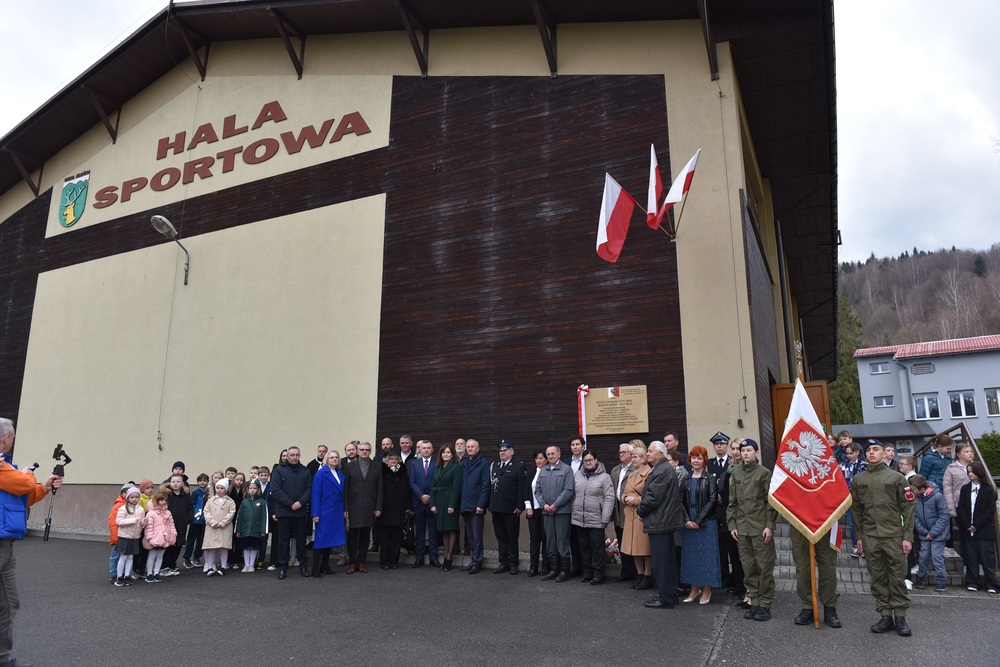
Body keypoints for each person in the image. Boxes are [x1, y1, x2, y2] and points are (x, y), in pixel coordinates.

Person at [852, 440, 915, 637]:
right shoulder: (858, 480)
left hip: (893, 535)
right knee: (877, 577)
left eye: (876, 449)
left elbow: (908, 507)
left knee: (897, 576)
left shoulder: (897, 478)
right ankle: (885, 615)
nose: (871, 453)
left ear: (883, 453)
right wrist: (859, 537)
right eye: (868, 450)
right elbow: (856, 511)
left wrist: (907, 536)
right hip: (870, 536)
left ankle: (901, 617)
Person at [727, 438, 776, 621]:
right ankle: (754, 601)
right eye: (743, 450)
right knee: (748, 567)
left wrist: (769, 526)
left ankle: (765, 604)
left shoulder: (764, 473)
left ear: (755, 452)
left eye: (749, 450)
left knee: (764, 567)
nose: (745, 453)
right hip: (742, 528)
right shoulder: (736, 473)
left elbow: (770, 503)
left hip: (759, 528)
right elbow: (732, 503)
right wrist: (732, 525)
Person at [636, 440, 686, 608]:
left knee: (662, 562)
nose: (647, 453)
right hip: (662, 521)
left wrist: (640, 511)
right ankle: (670, 595)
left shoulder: (662, 470)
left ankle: (665, 598)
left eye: (650, 451)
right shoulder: (663, 469)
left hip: (660, 522)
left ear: (660, 454)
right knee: (667, 560)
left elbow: (652, 498)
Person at [680, 446, 720, 604]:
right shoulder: (686, 479)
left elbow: (712, 500)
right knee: (690, 558)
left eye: (699, 458)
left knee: (706, 558)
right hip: (688, 523)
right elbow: (680, 501)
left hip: (706, 523)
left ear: (704, 460)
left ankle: (707, 590)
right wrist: (687, 520)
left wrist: (698, 521)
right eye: (693, 458)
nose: (696, 461)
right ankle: (694, 589)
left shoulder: (709, 478)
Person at [570, 449, 614, 585]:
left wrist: (605, 518)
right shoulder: (578, 475)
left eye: (590, 459)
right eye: (585, 460)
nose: (588, 462)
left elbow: (609, 498)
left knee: (597, 548)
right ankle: (587, 572)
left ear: (596, 460)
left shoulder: (605, 477)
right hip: (579, 518)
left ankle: (599, 574)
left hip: (597, 519)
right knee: (584, 547)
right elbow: (573, 495)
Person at [956, 461, 1000, 593]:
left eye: (972, 472)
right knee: (971, 557)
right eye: (968, 472)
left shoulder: (988, 489)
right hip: (967, 529)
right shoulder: (965, 489)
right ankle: (972, 581)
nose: (970, 474)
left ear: (979, 472)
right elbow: (961, 507)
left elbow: (989, 510)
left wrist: (976, 525)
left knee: (987, 558)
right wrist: (966, 524)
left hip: (984, 530)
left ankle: (991, 583)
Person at [271, 446, 313, 579]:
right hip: (284, 511)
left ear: (300, 456)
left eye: (297, 455)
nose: (295, 457)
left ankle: (303, 566)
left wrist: (300, 502)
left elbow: (309, 489)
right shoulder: (279, 470)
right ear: (287, 456)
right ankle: (282, 567)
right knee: (283, 541)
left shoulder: (305, 471)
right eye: (292, 455)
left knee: (301, 540)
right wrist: (290, 503)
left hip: (300, 511)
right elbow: (275, 490)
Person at [536, 445, 575, 582]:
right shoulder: (543, 471)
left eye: (553, 454)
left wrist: (555, 505)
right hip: (547, 512)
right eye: (548, 454)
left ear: (559, 454)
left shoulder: (566, 470)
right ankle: (554, 569)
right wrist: (544, 505)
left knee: (562, 542)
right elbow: (538, 491)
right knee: (550, 542)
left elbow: (568, 490)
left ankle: (565, 571)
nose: (551, 456)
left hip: (561, 512)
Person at [489, 440, 528, 575]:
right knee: (501, 537)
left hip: (511, 508)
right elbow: (492, 486)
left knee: (512, 537)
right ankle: (503, 562)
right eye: (500, 451)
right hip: (496, 508)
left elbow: (521, 488)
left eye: (505, 450)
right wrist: (491, 505)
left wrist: (520, 506)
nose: (502, 453)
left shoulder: (518, 466)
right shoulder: (494, 465)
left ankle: (513, 562)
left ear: (512, 451)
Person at [343, 441, 382, 574]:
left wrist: (378, 507)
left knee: (366, 535)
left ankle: (361, 562)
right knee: (353, 535)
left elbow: (380, 488)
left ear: (370, 451)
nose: (364, 451)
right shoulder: (349, 466)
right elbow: (345, 488)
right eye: (362, 449)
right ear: (358, 451)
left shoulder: (377, 466)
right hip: (353, 506)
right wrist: (345, 508)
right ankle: (352, 562)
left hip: (370, 506)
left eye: (367, 449)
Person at [909, 474, 949, 592]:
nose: (912, 491)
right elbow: (915, 517)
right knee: (923, 557)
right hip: (924, 534)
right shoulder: (916, 498)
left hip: (938, 535)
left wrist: (933, 533)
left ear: (922, 489)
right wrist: (924, 532)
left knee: (937, 557)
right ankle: (921, 579)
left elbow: (944, 516)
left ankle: (941, 582)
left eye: (914, 489)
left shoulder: (938, 497)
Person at [621, 444, 653, 590]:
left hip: (642, 515)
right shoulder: (631, 474)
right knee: (633, 548)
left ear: (643, 458)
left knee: (644, 548)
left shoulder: (649, 473)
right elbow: (623, 492)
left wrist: (636, 500)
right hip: (630, 515)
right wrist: (625, 498)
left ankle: (648, 575)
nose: (632, 459)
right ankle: (639, 574)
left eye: (635, 457)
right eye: (632, 456)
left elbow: (651, 496)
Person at [431, 442, 463, 571]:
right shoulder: (437, 468)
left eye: (448, 452)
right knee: (443, 529)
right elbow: (432, 487)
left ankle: (449, 558)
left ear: (452, 454)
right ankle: (445, 554)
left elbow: (456, 488)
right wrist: (432, 504)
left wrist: (452, 505)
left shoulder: (456, 467)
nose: (446, 454)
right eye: (444, 452)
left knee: (451, 529)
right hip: (439, 501)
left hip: (450, 501)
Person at [460, 438, 490, 574]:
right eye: (468, 447)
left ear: (477, 449)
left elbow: (485, 486)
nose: (470, 449)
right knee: (470, 536)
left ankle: (477, 561)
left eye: (472, 447)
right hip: (466, 505)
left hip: (476, 506)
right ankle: (473, 559)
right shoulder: (464, 463)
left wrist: (481, 504)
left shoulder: (483, 464)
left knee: (477, 536)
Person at [378, 450, 411, 569]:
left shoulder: (403, 471)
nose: (393, 461)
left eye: (396, 459)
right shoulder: (382, 470)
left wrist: (407, 507)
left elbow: (407, 490)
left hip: (399, 508)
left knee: (397, 537)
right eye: (391, 459)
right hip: (385, 509)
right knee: (385, 537)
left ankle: (394, 561)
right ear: (387, 461)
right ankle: (384, 561)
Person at [409, 439, 439, 568]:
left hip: (433, 502)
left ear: (432, 450)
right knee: (419, 532)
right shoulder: (414, 464)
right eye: (424, 448)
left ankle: (433, 558)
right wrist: (421, 495)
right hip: (418, 502)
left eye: (428, 448)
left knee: (433, 532)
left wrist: (430, 497)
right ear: (419, 449)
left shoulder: (437, 463)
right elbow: (412, 482)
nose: (426, 450)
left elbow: (438, 482)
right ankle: (419, 558)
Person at [610, 442, 636, 584]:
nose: (621, 454)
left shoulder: (635, 469)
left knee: (632, 542)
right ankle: (625, 571)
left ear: (631, 455)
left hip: (630, 510)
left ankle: (635, 572)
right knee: (621, 542)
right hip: (618, 511)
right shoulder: (615, 470)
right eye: (620, 452)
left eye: (624, 452)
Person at [159, 474, 192, 576]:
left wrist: (188, 519)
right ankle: (164, 566)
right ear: (170, 483)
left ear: (182, 484)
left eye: (178, 482)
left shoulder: (186, 496)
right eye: (173, 482)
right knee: (169, 545)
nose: (175, 484)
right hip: (168, 525)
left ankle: (172, 565)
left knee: (178, 545)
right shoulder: (166, 495)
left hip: (181, 525)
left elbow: (190, 509)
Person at [202, 479, 237, 576]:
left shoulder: (230, 502)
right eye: (217, 488)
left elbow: (231, 513)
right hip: (212, 527)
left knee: (224, 547)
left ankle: (223, 567)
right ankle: (209, 567)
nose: (219, 490)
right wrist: (213, 522)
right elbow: (206, 512)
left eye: (222, 488)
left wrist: (223, 523)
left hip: (224, 527)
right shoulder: (210, 500)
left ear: (225, 489)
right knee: (211, 547)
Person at [142, 491, 177, 583]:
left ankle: (156, 572)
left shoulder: (167, 512)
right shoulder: (151, 513)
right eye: (161, 500)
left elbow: (171, 524)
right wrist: (149, 537)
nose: (163, 502)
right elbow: (149, 527)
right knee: (152, 555)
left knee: (160, 556)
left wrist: (173, 533)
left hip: (165, 537)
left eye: (165, 500)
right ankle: (149, 573)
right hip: (155, 537)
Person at [839, 442, 866, 558]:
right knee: (852, 523)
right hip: (849, 499)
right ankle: (856, 546)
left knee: (865, 522)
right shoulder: (842, 465)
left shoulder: (865, 465)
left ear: (857, 452)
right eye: (847, 453)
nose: (849, 455)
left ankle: (866, 546)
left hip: (864, 498)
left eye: (851, 453)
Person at [236, 479, 269, 573]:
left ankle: (251, 565)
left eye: (255, 488)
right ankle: (246, 564)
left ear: (258, 490)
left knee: (254, 547)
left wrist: (264, 530)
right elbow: (240, 516)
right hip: (245, 530)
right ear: (247, 490)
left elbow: (264, 517)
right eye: (250, 488)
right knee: (246, 547)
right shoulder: (244, 502)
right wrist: (238, 530)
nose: (252, 490)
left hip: (256, 529)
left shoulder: (262, 502)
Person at [114, 488, 145, 586]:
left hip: (134, 536)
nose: (135, 499)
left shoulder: (141, 509)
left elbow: (140, 523)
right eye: (132, 497)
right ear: (128, 498)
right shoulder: (123, 508)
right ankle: (119, 577)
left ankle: (127, 576)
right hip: (124, 536)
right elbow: (118, 522)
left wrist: (143, 523)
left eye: (137, 497)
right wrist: (132, 521)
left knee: (130, 557)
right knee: (123, 557)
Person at [526, 449, 548, 577]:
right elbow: (525, 490)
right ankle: (533, 566)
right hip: (533, 511)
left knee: (546, 539)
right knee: (534, 539)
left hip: (545, 511)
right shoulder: (531, 473)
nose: (538, 461)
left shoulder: (549, 472)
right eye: (537, 458)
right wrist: (528, 507)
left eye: (541, 458)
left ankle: (546, 566)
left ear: (546, 460)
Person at [183, 473, 209, 569]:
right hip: (195, 521)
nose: (202, 482)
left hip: (204, 521)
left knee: (201, 541)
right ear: (197, 482)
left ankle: (197, 557)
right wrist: (195, 516)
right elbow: (192, 506)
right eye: (200, 480)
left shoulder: (208, 493)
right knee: (191, 540)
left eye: (204, 480)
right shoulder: (195, 493)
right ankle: (187, 558)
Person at [107, 484, 130, 584]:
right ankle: (113, 574)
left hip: (127, 535)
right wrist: (115, 537)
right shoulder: (118, 505)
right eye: (125, 492)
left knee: (125, 556)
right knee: (115, 556)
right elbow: (112, 522)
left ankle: (123, 574)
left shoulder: (132, 505)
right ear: (122, 493)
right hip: (118, 535)